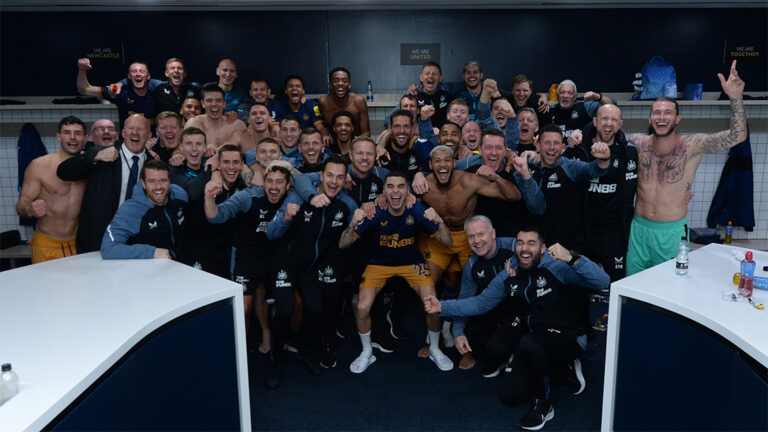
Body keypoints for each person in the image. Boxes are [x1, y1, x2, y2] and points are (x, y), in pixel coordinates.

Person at [424, 225, 610, 430]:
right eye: (520, 243)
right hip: (535, 336)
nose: (524, 249)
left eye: (531, 243)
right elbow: (480, 303)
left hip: (567, 334)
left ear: (542, 248)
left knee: (529, 343)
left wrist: (572, 258)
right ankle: (558, 367)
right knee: (510, 395)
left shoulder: (557, 266)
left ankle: (543, 404)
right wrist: (442, 306)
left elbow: (603, 281)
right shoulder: (510, 272)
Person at [625, 60, 747, 275]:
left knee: (669, 290)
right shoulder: (637, 142)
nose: (661, 118)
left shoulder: (692, 145)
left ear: (677, 118)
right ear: (650, 117)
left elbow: (738, 136)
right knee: (633, 290)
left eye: (667, 113)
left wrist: (735, 98)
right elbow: (604, 138)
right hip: (639, 229)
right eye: (657, 113)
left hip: (670, 233)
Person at [338, 171, 454, 373]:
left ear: (408, 191)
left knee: (432, 305)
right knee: (362, 307)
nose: (395, 191)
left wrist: (440, 221)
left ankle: (435, 348)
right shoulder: (375, 211)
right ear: (383, 191)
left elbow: (447, 241)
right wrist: (351, 225)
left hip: (411, 263)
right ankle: (367, 352)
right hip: (379, 264)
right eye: (390, 186)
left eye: (401, 186)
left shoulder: (416, 209)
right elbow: (343, 244)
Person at [264, 154, 358, 385]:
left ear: (346, 180)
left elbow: (351, 234)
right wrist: (286, 218)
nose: (334, 182)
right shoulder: (298, 196)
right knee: (285, 310)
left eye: (339, 177)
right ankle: (275, 361)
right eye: (329, 176)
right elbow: (271, 233)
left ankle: (305, 352)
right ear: (321, 176)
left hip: (311, 267)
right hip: (284, 263)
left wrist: (358, 220)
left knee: (316, 308)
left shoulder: (346, 204)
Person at [205, 162, 293, 362]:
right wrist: (209, 197)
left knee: (285, 302)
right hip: (248, 254)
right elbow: (216, 216)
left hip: (277, 255)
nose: (273, 186)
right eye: (269, 181)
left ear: (288, 186)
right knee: (244, 306)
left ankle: (272, 334)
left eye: (279, 182)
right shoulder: (249, 196)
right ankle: (240, 351)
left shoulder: (293, 198)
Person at [57, 114, 152, 253]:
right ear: (123, 133)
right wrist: (94, 157)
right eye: (131, 128)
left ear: (149, 135)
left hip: (137, 238)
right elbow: (63, 172)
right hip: (98, 239)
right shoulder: (101, 153)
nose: (135, 133)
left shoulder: (153, 163)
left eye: (140, 129)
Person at [567, 104, 638, 281]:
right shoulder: (577, 149)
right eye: (604, 118)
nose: (609, 123)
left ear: (620, 124)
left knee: (615, 285)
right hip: (582, 234)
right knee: (581, 287)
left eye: (614, 120)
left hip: (613, 235)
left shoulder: (628, 152)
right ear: (595, 121)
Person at [172, 132, 247, 278]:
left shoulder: (235, 180)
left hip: (225, 250)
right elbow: (190, 193)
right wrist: (211, 173)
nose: (194, 148)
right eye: (189, 144)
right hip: (195, 248)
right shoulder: (179, 170)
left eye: (199, 144)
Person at [527, 123, 611, 252]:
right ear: (538, 145)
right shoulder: (528, 167)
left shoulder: (570, 167)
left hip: (567, 247)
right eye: (547, 143)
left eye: (556, 143)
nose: (551, 147)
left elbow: (594, 169)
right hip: (536, 248)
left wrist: (604, 159)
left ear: (562, 148)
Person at [16, 116, 87, 263]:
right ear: (59, 137)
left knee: (79, 286)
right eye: (67, 132)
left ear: (85, 138)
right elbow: (22, 203)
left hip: (78, 244)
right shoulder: (39, 166)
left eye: (78, 133)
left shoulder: (90, 167)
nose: (72, 137)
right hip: (46, 244)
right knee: (44, 286)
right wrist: (29, 210)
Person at [452, 216, 517, 374]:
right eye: (471, 236)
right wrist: (458, 333)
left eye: (481, 234)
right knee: (470, 333)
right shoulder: (472, 265)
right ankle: (502, 356)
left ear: (493, 233)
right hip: (495, 308)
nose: (477, 241)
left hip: (523, 306)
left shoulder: (515, 246)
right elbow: (464, 300)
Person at [101, 160, 188, 259]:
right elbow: (108, 249)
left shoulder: (179, 195)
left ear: (170, 181)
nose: (158, 186)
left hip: (183, 266)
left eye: (163, 180)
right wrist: (151, 252)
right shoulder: (131, 210)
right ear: (143, 183)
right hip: (149, 269)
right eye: (152, 181)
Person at [76, 58, 157, 127]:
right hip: (128, 142)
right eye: (134, 71)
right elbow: (84, 89)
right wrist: (82, 69)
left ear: (148, 76)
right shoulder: (120, 92)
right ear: (129, 76)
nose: (138, 74)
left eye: (142, 71)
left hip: (153, 142)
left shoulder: (158, 94)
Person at [184, 84, 247, 152]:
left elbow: (249, 153)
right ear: (203, 104)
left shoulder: (238, 126)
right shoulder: (193, 124)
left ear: (224, 103)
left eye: (218, 100)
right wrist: (177, 153)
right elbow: (183, 148)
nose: (214, 104)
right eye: (209, 100)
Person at [550, 79, 611, 147]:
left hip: (581, 151)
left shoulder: (585, 106)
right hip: (558, 152)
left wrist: (599, 97)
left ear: (575, 96)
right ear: (557, 95)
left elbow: (611, 106)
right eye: (562, 92)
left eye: (570, 93)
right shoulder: (549, 111)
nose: (565, 95)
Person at [318, 67, 370, 137]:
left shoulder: (359, 101)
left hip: (356, 142)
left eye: (344, 81)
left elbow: (366, 133)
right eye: (336, 81)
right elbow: (320, 124)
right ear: (330, 85)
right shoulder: (323, 102)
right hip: (334, 143)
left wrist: (356, 143)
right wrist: (325, 135)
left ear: (349, 85)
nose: (340, 83)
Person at [411, 62, 453, 128]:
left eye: (434, 74)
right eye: (427, 74)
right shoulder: (414, 96)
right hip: (420, 135)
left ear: (440, 78)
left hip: (442, 135)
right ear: (421, 78)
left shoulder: (447, 96)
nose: (430, 76)